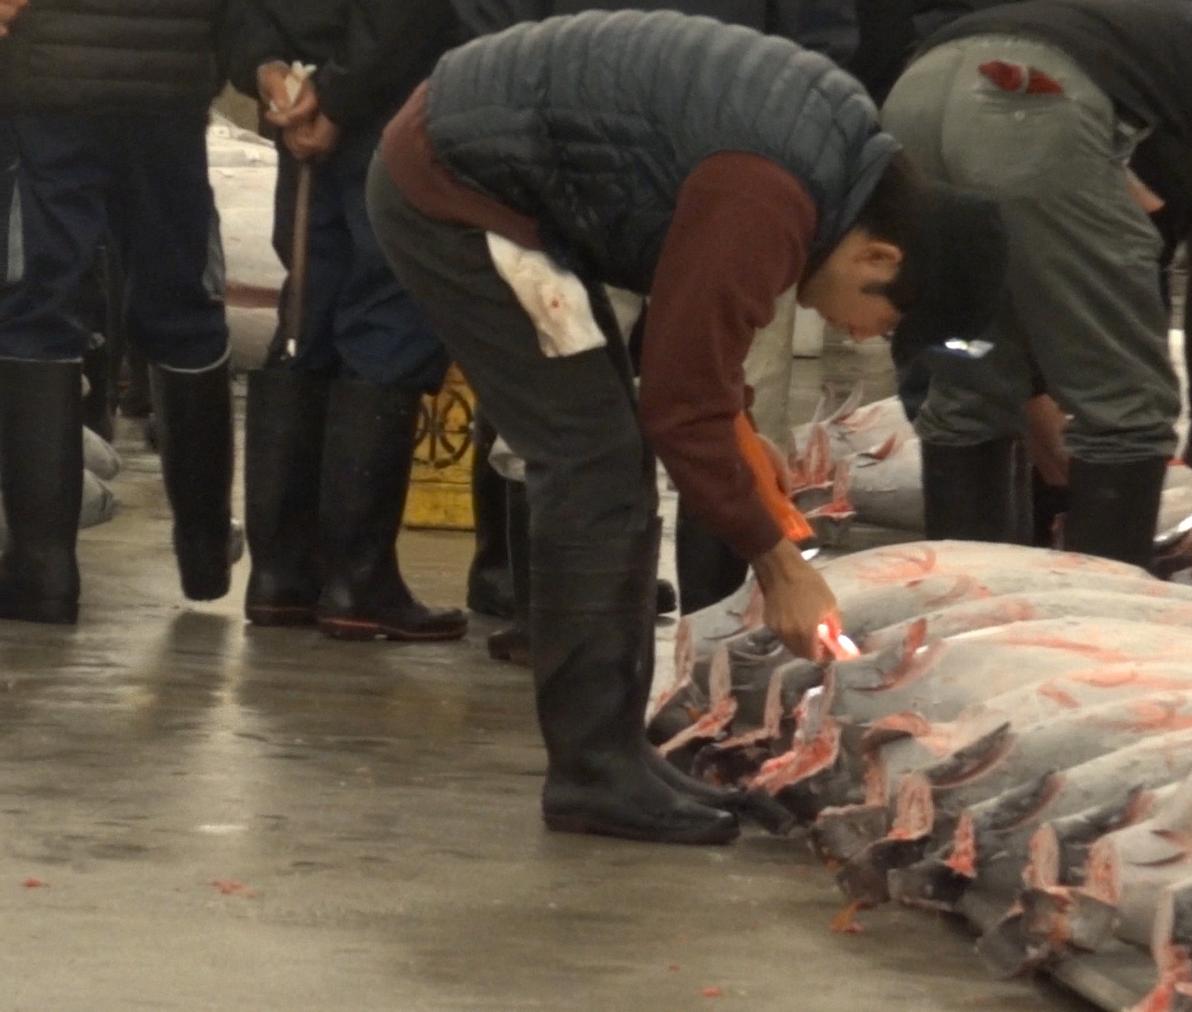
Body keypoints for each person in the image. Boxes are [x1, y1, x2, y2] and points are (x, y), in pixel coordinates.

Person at [367, 10, 1004, 844]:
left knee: (609, 457)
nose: (862, 337)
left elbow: (699, 355)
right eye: (882, 322)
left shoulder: (828, 166)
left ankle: (615, 752)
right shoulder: (774, 193)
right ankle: (594, 774)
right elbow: (678, 403)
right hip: (455, 188)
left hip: (499, 173)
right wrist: (780, 565)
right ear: (880, 259)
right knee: (591, 463)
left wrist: (739, 432)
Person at [880, 0, 1192, 576]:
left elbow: (1040, 268)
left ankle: (969, 608)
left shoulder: (1152, 79)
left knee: (970, 391)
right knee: (1127, 411)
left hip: (915, 93)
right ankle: (1101, 629)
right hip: (1028, 98)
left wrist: (1030, 397)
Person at [224, 0, 467, 641]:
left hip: (303, 98)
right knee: (386, 313)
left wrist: (270, 74)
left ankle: (284, 575)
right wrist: (333, 98)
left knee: (310, 311)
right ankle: (358, 581)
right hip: (390, 105)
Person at [0, 0, 237, 625]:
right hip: (171, 78)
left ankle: (43, 573)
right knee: (183, 299)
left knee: (37, 304)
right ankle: (206, 553)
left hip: (50, 74)